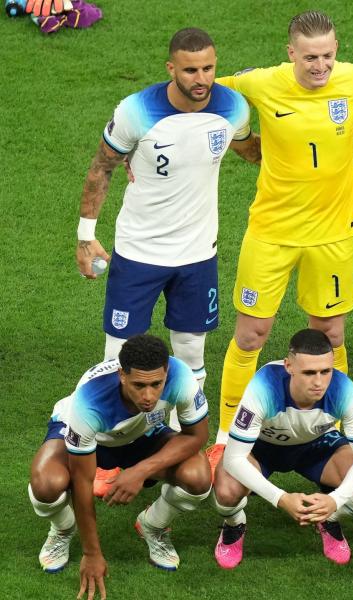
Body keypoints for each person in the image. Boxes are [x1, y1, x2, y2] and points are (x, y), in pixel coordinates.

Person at [210, 10, 353, 469]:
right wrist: (243, 139)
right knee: (251, 334)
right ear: (291, 54)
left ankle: (342, 425)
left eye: (327, 56)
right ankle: (226, 435)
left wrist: (348, 134)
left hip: (331, 235)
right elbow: (207, 94)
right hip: (271, 232)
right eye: (310, 57)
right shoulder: (263, 83)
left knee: (331, 332)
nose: (320, 66)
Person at [75, 27, 254, 463]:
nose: (201, 78)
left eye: (209, 68)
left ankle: (177, 441)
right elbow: (102, 168)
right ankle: (109, 445)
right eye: (190, 69)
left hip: (198, 255)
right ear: (170, 68)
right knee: (119, 354)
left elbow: (253, 154)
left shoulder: (233, 107)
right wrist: (85, 236)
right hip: (138, 254)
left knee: (191, 351)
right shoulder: (137, 110)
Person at [28, 335, 211, 600]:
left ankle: (153, 524)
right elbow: (82, 480)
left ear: (166, 373)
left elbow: (197, 436)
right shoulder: (89, 400)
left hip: (142, 434)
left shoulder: (180, 376)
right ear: (122, 375)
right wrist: (92, 553)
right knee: (46, 484)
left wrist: (141, 470)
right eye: (139, 385)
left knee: (198, 476)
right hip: (88, 437)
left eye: (156, 384)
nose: (148, 396)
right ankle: (63, 527)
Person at [211, 329, 353, 567]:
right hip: (262, 449)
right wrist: (281, 498)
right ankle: (234, 524)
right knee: (227, 490)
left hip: (316, 447)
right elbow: (234, 459)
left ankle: (328, 518)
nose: (319, 382)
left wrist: (337, 501)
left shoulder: (343, 388)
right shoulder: (264, 386)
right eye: (309, 372)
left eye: (326, 371)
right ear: (289, 366)